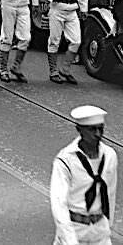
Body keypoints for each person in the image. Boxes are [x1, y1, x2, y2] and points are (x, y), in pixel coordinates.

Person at [50, 105, 117, 245]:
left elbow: (110, 193)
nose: (98, 134)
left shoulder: (110, 155)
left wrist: (107, 226)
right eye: (92, 129)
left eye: (101, 129)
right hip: (75, 231)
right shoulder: (65, 160)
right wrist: (69, 240)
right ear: (79, 130)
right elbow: (58, 204)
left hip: (100, 232)